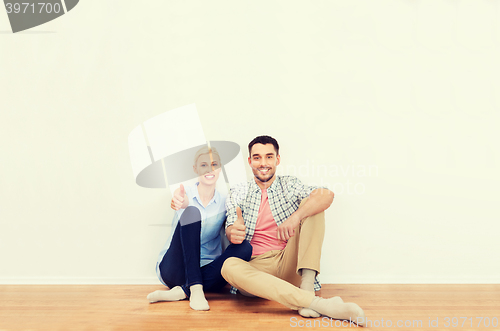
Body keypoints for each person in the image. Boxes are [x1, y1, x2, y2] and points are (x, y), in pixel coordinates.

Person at [221, 136, 366, 325]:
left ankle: (307, 287)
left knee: (313, 204)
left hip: (288, 261)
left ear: (277, 160)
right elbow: (231, 226)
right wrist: (233, 232)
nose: (263, 163)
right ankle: (320, 304)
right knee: (228, 266)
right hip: (257, 269)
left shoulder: (289, 184)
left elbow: (326, 195)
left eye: (269, 157)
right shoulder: (238, 191)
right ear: (250, 161)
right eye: (257, 158)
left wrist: (295, 217)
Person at [147, 146, 252, 311]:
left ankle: (183, 291)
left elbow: (231, 230)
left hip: (207, 270)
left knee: (245, 248)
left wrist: (236, 229)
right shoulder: (184, 194)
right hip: (175, 269)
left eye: (214, 164)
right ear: (195, 169)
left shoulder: (225, 202)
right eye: (203, 165)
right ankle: (195, 288)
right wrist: (180, 202)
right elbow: (179, 200)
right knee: (192, 212)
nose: (209, 169)